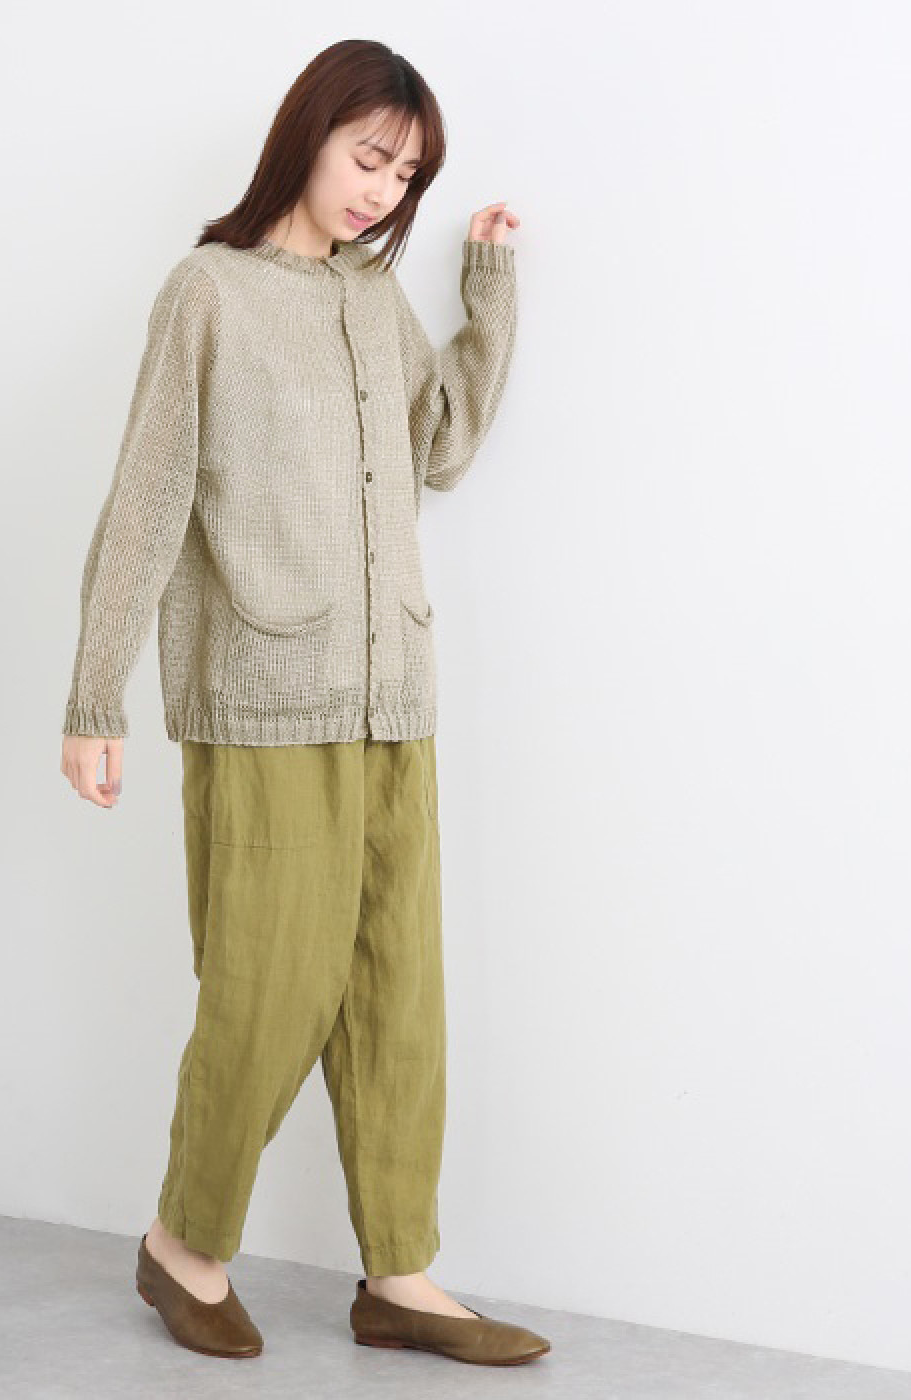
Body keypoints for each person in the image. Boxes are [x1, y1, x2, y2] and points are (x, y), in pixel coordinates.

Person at [59, 39, 548, 1365]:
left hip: (396, 697)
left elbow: (442, 445)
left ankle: (400, 1274)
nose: (383, 191)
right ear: (308, 134)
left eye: (407, 175)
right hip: (263, 696)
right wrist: (95, 696)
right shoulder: (208, 293)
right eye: (368, 157)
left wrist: (488, 291)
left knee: (398, 996)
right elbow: (148, 497)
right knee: (267, 989)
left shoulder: (373, 302)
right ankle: (183, 1244)